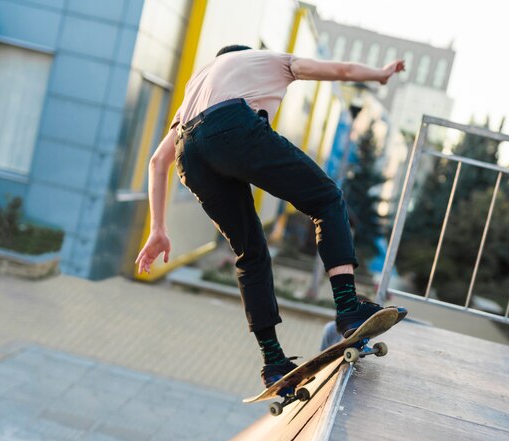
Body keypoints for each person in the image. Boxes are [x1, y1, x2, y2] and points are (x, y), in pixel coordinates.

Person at [136, 45, 407, 389]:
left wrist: (158, 228)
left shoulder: (198, 86)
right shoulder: (266, 60)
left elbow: (159, 161)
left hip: (189, 153)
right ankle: (348, 307)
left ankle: (273, 363)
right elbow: (342, 73)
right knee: (327, 199)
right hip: (232, 130)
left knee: (250, 253)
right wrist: (380, 74)